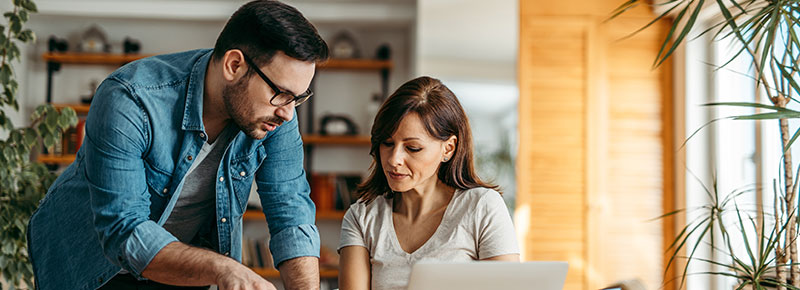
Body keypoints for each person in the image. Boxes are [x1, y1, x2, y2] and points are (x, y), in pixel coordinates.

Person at [27, 1, 328, 289]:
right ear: (234, 65)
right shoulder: (130, 99)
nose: (289, 112)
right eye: (281, 93)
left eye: (299, 98)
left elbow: (291, 212)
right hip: (89, 264)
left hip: (182, 267)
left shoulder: (276, 115)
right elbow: (124, 231)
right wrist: (224, 268)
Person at [337, 76, 520, 290]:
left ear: (448, 149)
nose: (393, 159)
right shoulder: (362, 218)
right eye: (387, 143)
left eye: (412, 148)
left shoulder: (482, 207)